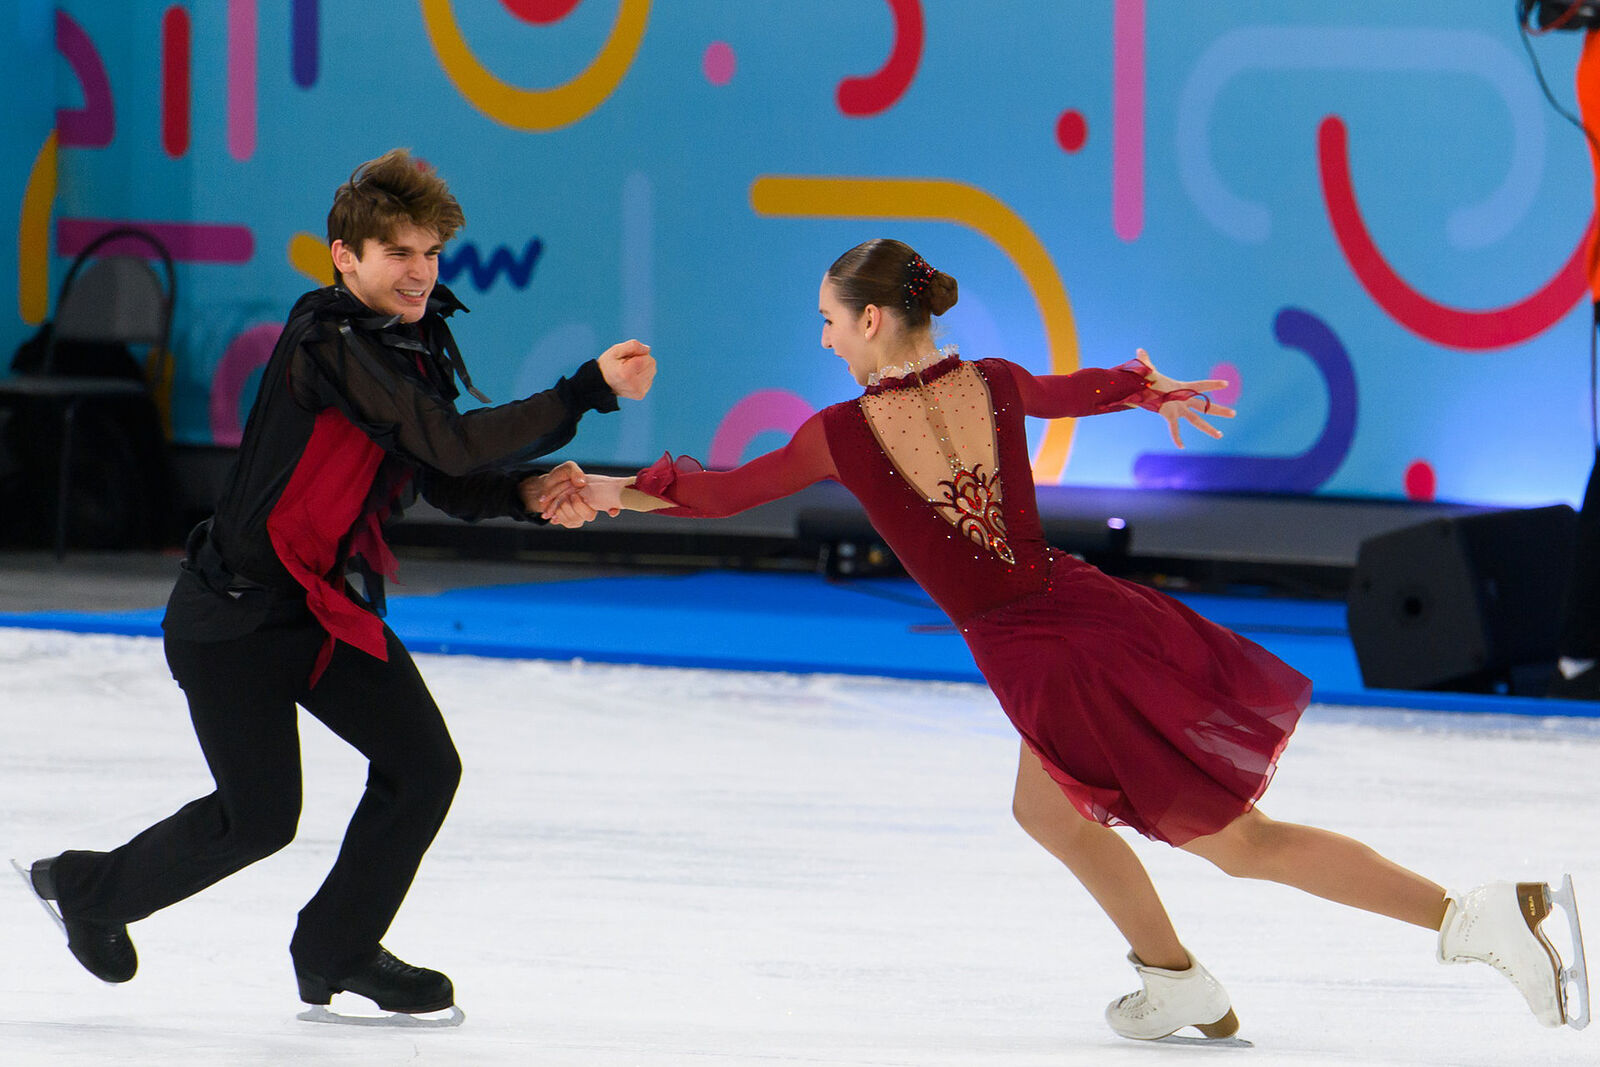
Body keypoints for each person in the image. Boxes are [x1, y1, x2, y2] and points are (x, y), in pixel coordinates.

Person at [544, 238, 1586, 1040]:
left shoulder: (843, 434)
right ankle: (1174, 978)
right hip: (1086, 610)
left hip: (1043, 658)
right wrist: (1143, 386)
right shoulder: (992, 381)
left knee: (1241, 843)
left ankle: (1475, 915)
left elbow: (724, 494)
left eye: (826, 321)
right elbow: (1075, 390)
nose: (823, 339)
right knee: (1045, 809)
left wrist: (605, 490)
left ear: (869, 319)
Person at [20, 148, 654, 1020]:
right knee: (259, 818)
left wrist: (529, 494)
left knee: (423, 768)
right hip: (232, 621)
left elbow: (445, 476)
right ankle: (87, 890)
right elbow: (448, 442)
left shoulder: (410, 342)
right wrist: (584, 389)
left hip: (318, 609)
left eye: (431, 253)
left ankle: (336, 948)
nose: (421, 273)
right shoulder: (326, 342)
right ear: (345, 257)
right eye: (399, 253)